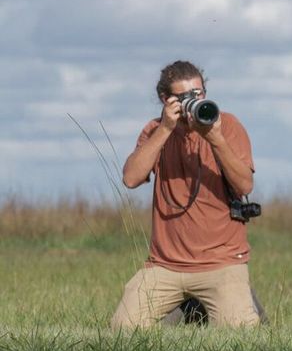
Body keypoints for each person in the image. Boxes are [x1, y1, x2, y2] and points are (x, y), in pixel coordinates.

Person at [111, 60, 262, 328]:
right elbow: (131, 178)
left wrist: (215, 139)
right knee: (123, 328)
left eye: (199, 94)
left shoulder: (227, 125)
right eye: (185, 97)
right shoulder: (154, 130)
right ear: (165, 99)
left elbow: (244, 186)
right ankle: (192, 306)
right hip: (165, 264)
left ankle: (235, 299)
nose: (194, 102)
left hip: (221, 261)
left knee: (238, 330)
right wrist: (166, 129)